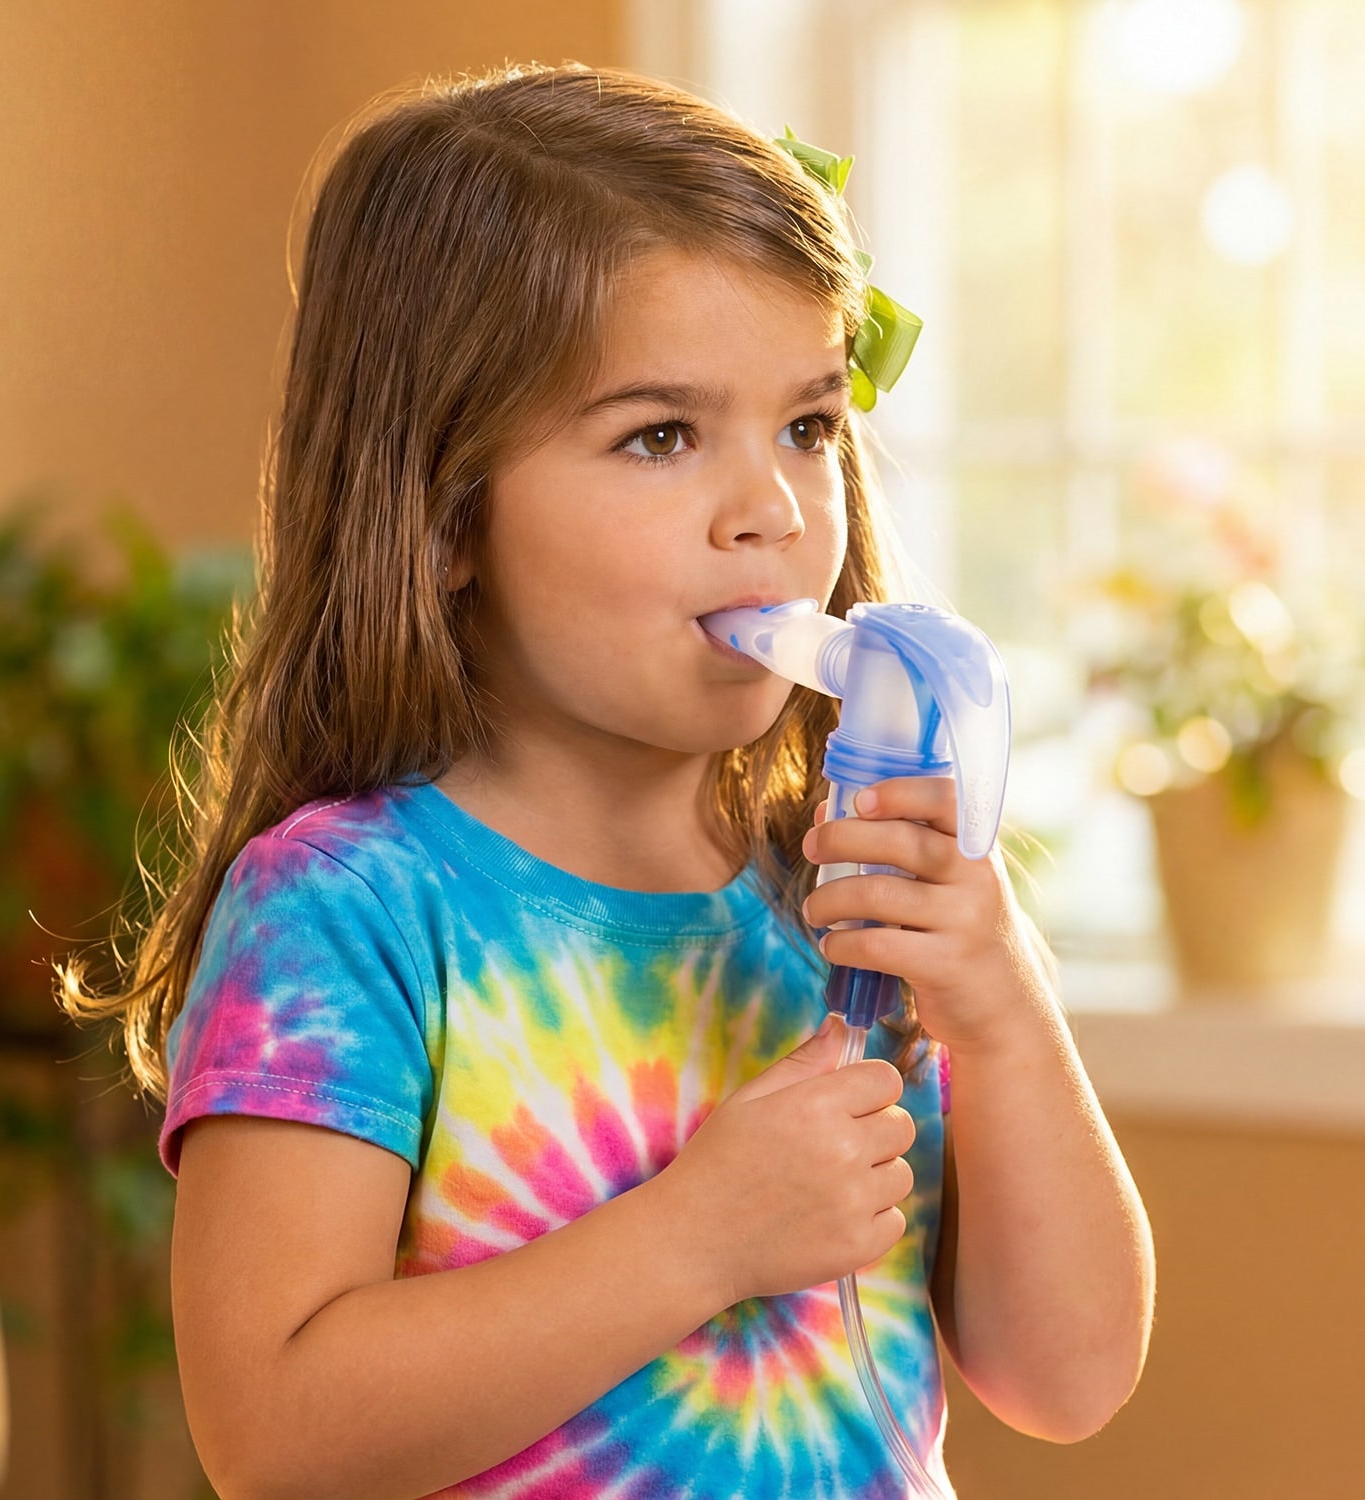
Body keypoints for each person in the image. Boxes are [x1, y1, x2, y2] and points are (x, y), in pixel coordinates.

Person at [61, 62, 1154, 1499]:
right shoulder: (348, 908)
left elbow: (1065, 1381)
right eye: (659, 435)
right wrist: (696, 1237)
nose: (770, 509)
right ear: (445, 514)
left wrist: (1009, 1017)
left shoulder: (843, 884)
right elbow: (276, 1437)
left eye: (810, 427)